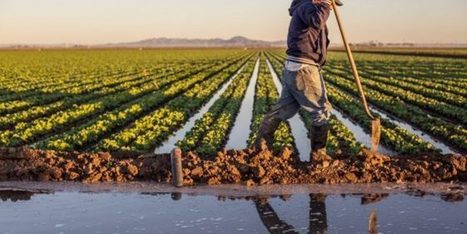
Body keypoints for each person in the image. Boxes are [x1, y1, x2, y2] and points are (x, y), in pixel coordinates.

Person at [255, 0, 342, 161]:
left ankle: (261, 146)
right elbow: (317, 21)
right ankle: (318, 154)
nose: (332, 6)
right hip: (304, 68)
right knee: (320, 111)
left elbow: (318, 33)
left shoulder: (305, 8)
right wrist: (324, 5)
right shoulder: (307, 7)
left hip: (296, 66)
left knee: (284, 108)